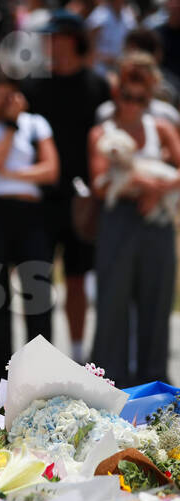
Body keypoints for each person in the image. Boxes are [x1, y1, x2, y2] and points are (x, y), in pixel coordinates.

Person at [20, 10, 110, 363]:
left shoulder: (97, 85)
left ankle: (76, 351)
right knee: (37, 279)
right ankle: (38, 356)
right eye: (47, 37)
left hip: (81, 199)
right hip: (40, 199)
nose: (49, 43)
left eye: (56, 36)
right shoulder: (32, 85)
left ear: (74, 39)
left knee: (76, 278)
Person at [89, 52, 180, 387]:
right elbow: (100, 181)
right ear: (117, 92)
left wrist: (156, 191)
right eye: (127, 95)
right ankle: (109, 383)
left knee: (157, 301)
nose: (133, 104)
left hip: (157, 220)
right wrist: (149, 186)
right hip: (119, 219)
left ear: (150, 96)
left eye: (141, 98)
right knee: (113, 301)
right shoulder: (102, 131)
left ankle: (155, 383)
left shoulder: (162, 127)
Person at [0, 66, 59, 390]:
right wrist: (9, 124)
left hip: (30, 212)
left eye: (12, 88)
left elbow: (50, 170)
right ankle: (0, 376)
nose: (6, 95)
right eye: (0, 88)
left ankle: (41, 374)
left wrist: (13, 175)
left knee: (37, 293)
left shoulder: (36, 123)